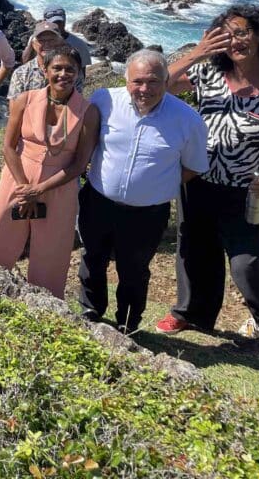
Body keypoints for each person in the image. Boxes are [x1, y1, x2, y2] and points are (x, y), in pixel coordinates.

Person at [154, 6, 259, 345]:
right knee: (195, 249)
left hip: (249, 191)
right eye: (226, 35)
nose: (235, 41)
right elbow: (158, 85)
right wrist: (198, 53)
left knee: (246, 261)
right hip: (198, 180)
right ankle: (193, 314)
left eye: (242, 32)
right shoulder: (209, 73)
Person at [77, 49, 208, 333]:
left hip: (147, 214)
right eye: (137, 81)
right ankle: (90, 311)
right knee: (92, 258)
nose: (144, 89)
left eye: (153, 81)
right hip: (98, 201)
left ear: (166, 81)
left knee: (134, 271)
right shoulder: (104, 100)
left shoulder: (188, 119)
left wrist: (155, 185)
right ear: (126, 80)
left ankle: (127, 325)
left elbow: (194, 167)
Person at [0, 46, 99, 299]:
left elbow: (79, 163)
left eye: (70, 69)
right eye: (57, 68)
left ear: (79, 73)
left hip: (59, 187)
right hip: (18, 180)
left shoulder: (88, 112)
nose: (63, 74)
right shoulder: (25, 100)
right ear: (45, 70)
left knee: (51, 254)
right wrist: (25, 188)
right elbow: (9, 147)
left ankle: (44, 306)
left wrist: (40, 190)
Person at [8, 20, 85, 101]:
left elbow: (77, 101)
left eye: (52, 40)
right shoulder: (21, 73)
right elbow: (15, 105)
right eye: (41, 41)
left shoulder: (72, 72)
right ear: (33, 44)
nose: (47, 44)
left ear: (61, 42)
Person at [21, 6, 92, 67]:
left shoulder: (79, 44)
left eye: (59, 22)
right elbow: (25, 62)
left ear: (65, 20)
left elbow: (82, 70)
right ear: (44, 21)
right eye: (53, 23)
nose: (57, 26)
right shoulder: (36, 39)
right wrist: (32, 44)